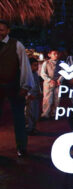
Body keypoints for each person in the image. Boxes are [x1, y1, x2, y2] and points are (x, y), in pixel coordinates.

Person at [0, 19, 36, 157]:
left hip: (14, 86)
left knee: (19, 118)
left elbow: (25, 66)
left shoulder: (17, 45)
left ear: (8, 30)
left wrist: (25, 86)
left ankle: (22, 147)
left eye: (1, 29)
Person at [39, 49, 60, 119]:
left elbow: (64, 73)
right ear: (49, 55)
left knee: (57, 99)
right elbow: (42, 73)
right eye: (54, 54)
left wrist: (59, 80)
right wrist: (49, 80)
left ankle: (54, 114)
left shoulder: (61, 63)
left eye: (57, 54)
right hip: (48, 83)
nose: (56, 55)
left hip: (58, 83)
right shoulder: (46, 63)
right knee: (47, 99)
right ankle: (45, 114)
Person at [24, 58, 41, 135]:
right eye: (34, 65)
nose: (36, 67)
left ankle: (33, 128)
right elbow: (24, 85)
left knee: (35, 113)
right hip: (29, 97)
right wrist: (28, 94)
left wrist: (39, 92)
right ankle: (28, 129)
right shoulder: (26, 74)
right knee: (29, 113)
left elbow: (37, 84)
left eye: (37, 65)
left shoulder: (36, 74)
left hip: (36, 96)